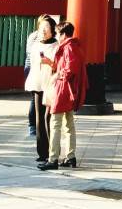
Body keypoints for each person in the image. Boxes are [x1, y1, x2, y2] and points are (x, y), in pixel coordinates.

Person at [38, 21, 86, 171]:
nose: (57, 37)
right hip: (69, 89)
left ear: (63, 34)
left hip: (63, 89)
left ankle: (53, 158)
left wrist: (58, 75)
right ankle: (70, 156)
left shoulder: (68, 47)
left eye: (58, 34)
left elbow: (69, 69)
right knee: (68, 124)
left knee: (56, 123)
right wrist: (51, 64)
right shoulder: (74, 46)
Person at [25, 15, 58, 163]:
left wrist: (50, 63)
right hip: (38, 83)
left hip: (51, 85)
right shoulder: (35, 45)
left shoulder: (57, 46)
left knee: (49, 118)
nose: (43, 31)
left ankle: (52, 151)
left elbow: (58, 67)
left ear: (52, 30)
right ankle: (42, 152)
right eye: (41, 28)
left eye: (46, 28)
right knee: (39, 118)